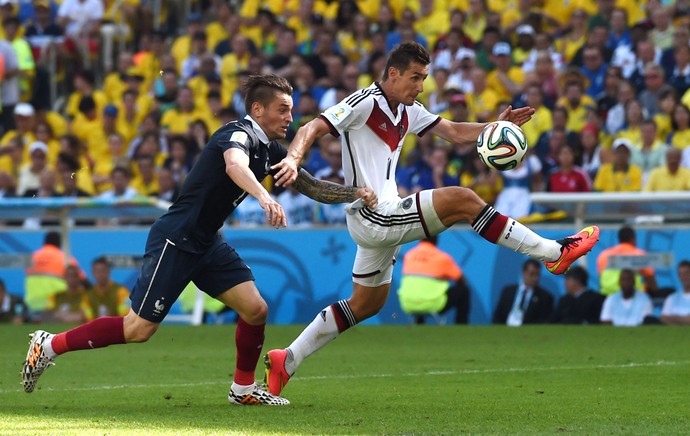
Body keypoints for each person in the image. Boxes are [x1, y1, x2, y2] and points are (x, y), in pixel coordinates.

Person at [263, 42, 600, 397]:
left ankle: (287, 358)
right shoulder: (365, 102)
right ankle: (554, 253)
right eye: (416, 77)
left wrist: (491, 127)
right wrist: (293, 159)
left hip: (384, 218)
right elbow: (313, 127)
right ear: (392, 74)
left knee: (367, 304)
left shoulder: (409, 110)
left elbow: (453, 132)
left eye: (424, 78)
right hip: (373, 214)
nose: (421, 85)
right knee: (463, 199)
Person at [21, 75, 378, 406]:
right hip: (177, 238)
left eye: (291, 108)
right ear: (258, 109)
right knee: (138, 329)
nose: (291, 116)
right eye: (283, 108)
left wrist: (354, 193)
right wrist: (264, 197)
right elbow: (234, 166)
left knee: (256, 309)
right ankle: (48, 345)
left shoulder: (270, 151)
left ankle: (242, 390)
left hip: (206, 241)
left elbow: (310, 185)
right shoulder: (237, 134)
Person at [397, 235, 470, 324]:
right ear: (436, 241)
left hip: (407, 303)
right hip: (433, 304)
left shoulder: (409, 255)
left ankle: (419, 325)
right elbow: (461, 280)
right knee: (464, 290)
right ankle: (461, 327)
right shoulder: (442, 258)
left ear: (420, 239)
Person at [596, 225, 657, 296]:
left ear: (619, 239)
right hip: (632, 297)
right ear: (633, 239)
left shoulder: (604, 255)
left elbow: (601, 277)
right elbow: (651, 282)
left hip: (607, 296)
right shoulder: (639, 254)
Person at [492, 259, 554, 326]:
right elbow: (497, 317)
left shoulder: (545, 297)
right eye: (532, 274)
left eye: (537, 274)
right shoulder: (508, 292)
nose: (535, 278)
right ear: (523, 272)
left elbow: (543, 322)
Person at [660, 260, 690, 325]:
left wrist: (673, 318)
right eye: (681, 274)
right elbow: (663, 318)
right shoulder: (671, 298)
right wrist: (684, 319)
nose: (684, 276)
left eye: (687, 273)